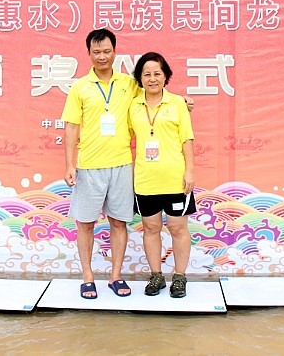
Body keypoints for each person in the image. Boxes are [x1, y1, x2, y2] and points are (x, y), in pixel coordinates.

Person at [62, 29, 192, 299]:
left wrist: (182, 101)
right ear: (88, 54)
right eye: (96, 52)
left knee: (119, 223)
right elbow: (71, 127)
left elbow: (155, 92)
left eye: (107, 51)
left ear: (115, 52)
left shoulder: (127, 83)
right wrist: (70, 164)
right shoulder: (79, 87)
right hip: (88, 166)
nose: (102, 56)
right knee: (85, 224)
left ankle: (115, 276)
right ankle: (88, 277)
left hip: (122, 165)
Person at [129, 52, 195, 299]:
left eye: (157, 73)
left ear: (166, 76)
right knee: (151, 228)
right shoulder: (133, 105)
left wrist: (190, 170)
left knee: (178, 228)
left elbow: (187, 138)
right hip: (145, 179)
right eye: (146, 74)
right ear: (140, 78)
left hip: (175, 179)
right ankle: (156, 275)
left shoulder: (177, 103)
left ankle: (179, 276)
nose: (152, 78)